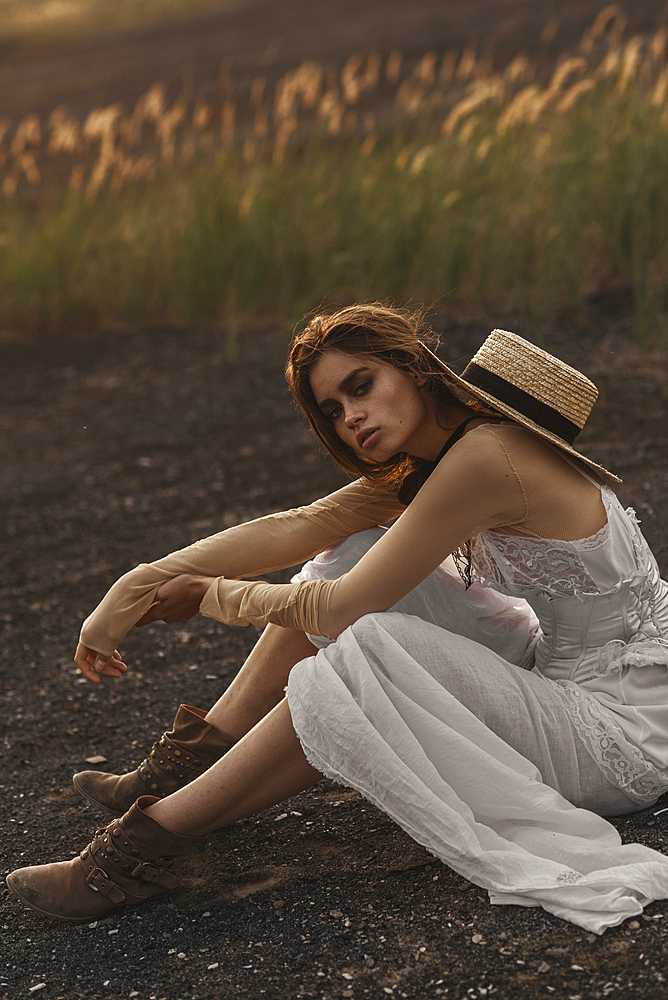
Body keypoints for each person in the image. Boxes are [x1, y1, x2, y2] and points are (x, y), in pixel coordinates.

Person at [7, 304, 668, 935]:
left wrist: (212, 596)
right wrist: (134, 586)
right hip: (551, 666)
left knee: (366, 643)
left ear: (413, 368)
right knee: (345, 555)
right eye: (334, 408)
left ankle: (135, 854)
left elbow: (342, 610)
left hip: (619, 732)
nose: (352, 417)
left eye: (361, 386)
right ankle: (189, 769)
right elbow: (301, 527)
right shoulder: (448, 449)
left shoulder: (485, 459)